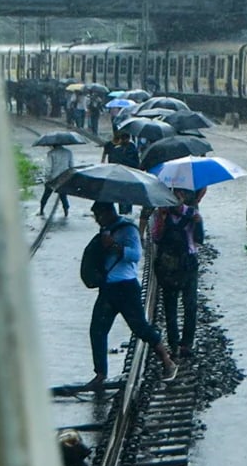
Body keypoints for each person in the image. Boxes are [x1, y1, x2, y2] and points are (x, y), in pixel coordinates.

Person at [84, 201, 177, 391]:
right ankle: (100, 374)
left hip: (126, 287)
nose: (97, 220)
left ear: (108, 212)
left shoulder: (128, 230)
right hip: (108, 288)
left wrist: (115, 246)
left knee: (141, 328)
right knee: (97, 330)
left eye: (99, 216)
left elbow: (135, 255)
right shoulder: (105, 231)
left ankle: (167, 361)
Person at [150, 189, 205, 360]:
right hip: (168, 266)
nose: (176, 200)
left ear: (183, 198)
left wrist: (198, 223)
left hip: (188, 263)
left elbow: (199, 240)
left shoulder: (192, 214)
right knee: (170, 306)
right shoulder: (161, 215)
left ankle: (186, 343)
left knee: (190, 305)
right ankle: (174, 343)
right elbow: (156, 238)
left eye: (178, 197)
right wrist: (162, 219)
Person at [102, 131, 140, 214]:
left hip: (124, 175)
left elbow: (111, 162)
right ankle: (126, 211)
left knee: (124, 194)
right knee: (125, 194)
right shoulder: (126, 149)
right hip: (127, 175)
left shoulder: (123, 149)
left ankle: (125, 211)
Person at [37, 143, 74, 217]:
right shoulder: (68, 152)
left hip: (53, 177)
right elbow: (71, 165)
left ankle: (41, 210)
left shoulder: (51, 153)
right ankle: (66, 211)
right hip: (64, 177)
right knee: (63, 195)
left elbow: (48, 167)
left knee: (46, 194)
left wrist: (47, 177)